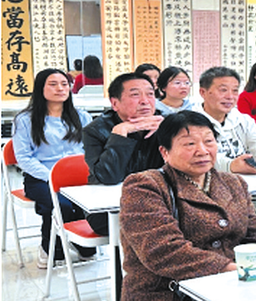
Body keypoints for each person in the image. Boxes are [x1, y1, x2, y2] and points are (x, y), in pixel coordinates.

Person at [120, 111, 256, 301]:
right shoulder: (145, 186)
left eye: (209, 141)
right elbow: (163, 251)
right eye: (189, 144)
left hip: (239, 289)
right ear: (165, 152)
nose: (203, 151)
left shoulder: (234, 183)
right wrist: (232, 270)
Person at [13, 69, 95, 268]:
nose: (60, 88)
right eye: (53, 84)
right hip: (41, 177)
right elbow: (24, 158)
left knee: (89, 204)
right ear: (40, 88)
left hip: (78, 177)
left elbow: (91, 150)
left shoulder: (82, 116)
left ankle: (77, 241)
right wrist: (53, 176)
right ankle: (50, 248)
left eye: (65, 84)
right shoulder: (25, 120)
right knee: (62, 205)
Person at [83, 72, 165, 235]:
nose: (145, 101)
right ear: (115, 103)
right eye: (135, 95)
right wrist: (120, 134)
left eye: (150, 94)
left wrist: (168, 130)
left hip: (157, 201)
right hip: (108, 209)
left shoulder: (165, 123)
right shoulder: (95, 130)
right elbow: (109, 177)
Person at [191, 66, 256, 173]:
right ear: (203, 92)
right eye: (223, 90)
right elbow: (196, 157)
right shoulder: (188, 123)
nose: (230, 96)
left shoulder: (243, 120)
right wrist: (230, 166)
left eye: (235, 91)